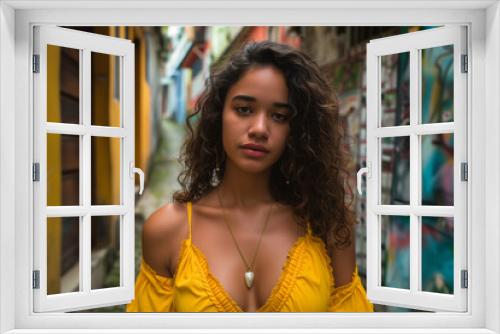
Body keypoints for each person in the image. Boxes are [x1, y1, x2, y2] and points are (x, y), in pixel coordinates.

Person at [126, 41, 374, 312]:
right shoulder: (168, 230)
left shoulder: (329, 227)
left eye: (279, 116)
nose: (259, 129)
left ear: (298, 130)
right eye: (244, 109)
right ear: (218, 115)